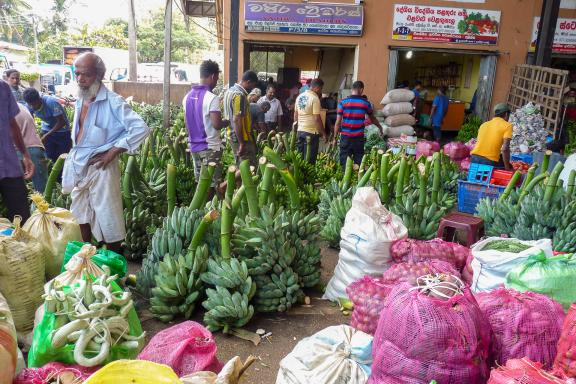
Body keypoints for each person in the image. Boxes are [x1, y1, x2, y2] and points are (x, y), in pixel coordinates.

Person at [62, 52, 150, 253]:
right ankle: (84, 258)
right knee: (79, 216)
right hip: (79, 167)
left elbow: (141, 128)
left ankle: (115, 262)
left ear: (99, 75)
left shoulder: (113, 101)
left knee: (109, 219)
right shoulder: (80, 100)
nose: (80, 79)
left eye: (86, 75)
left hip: (102, 168)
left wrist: (112, 152)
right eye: (77, 74)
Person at [183, 60, 229, 194]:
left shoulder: (187, 97)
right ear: (213, 76)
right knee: (213, 186)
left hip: (194, 147)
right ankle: (212, 211)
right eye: (216, 79)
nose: (216, 82)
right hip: (210, 148)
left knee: (201, 183)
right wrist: (228, 121)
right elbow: (217, 124)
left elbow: (187, 124)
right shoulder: (212, 98)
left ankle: (202, 211)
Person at [0, 80, 34, 222]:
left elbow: (12, 124)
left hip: (9, 166)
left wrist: (25, 155)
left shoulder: (3, 87)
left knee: (22, 217)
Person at [333, 81, 384, 166]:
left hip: (345, 137)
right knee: (358, 160)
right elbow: (372, 118)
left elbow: (337, 123)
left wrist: (334, 138)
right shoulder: (365, 103)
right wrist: (380, 127)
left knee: (344, 161)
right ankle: (358, 178)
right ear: (361, 89)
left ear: (352, 89)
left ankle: (344, 177)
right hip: (358, 138)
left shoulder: (342, 103)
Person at [22, 87, 72, 161]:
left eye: (34, 104)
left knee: (62, 156)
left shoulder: (51, 102)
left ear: (39, 99)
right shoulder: (29, 105)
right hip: (46, 128)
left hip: (62, 130)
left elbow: (62, 122)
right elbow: (30, 122)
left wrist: (46, 135)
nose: (32, 107)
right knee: (49, 155)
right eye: (30, 105)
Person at [223, 70, 259, 166]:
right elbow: (237, 119)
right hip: (240, 136)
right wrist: (242, 143)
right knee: (248, 167)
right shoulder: (240, 95)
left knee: (240, 165)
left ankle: (235, 181)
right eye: (252, 86)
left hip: (231, 134)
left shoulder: (229, 91)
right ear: (248, 82)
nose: (252, 89)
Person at [15, 103, 48, 192]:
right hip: (36, 147)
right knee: (42, 189)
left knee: (18, 189)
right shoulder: (21, 106)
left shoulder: (5, 108)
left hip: (19, 150)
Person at [470, 103, 513, 170]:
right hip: (488, 162)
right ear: (506, 114)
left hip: (474, 159)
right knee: (509, 167)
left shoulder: (484, 125)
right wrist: (507, 168)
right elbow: (505, 149)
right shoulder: (507, 125)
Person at [295, 78, 325, 164]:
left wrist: (296, 129)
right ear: (317, 87)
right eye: (321, 88)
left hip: (300, 131)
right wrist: (323, 133)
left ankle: (300, 177)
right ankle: (308, 177)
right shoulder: (315, 98)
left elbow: (295, 115)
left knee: (300, 158)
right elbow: (317, 118)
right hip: (311, 133)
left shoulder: (299, 97)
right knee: (310, 160)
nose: (320, 91)